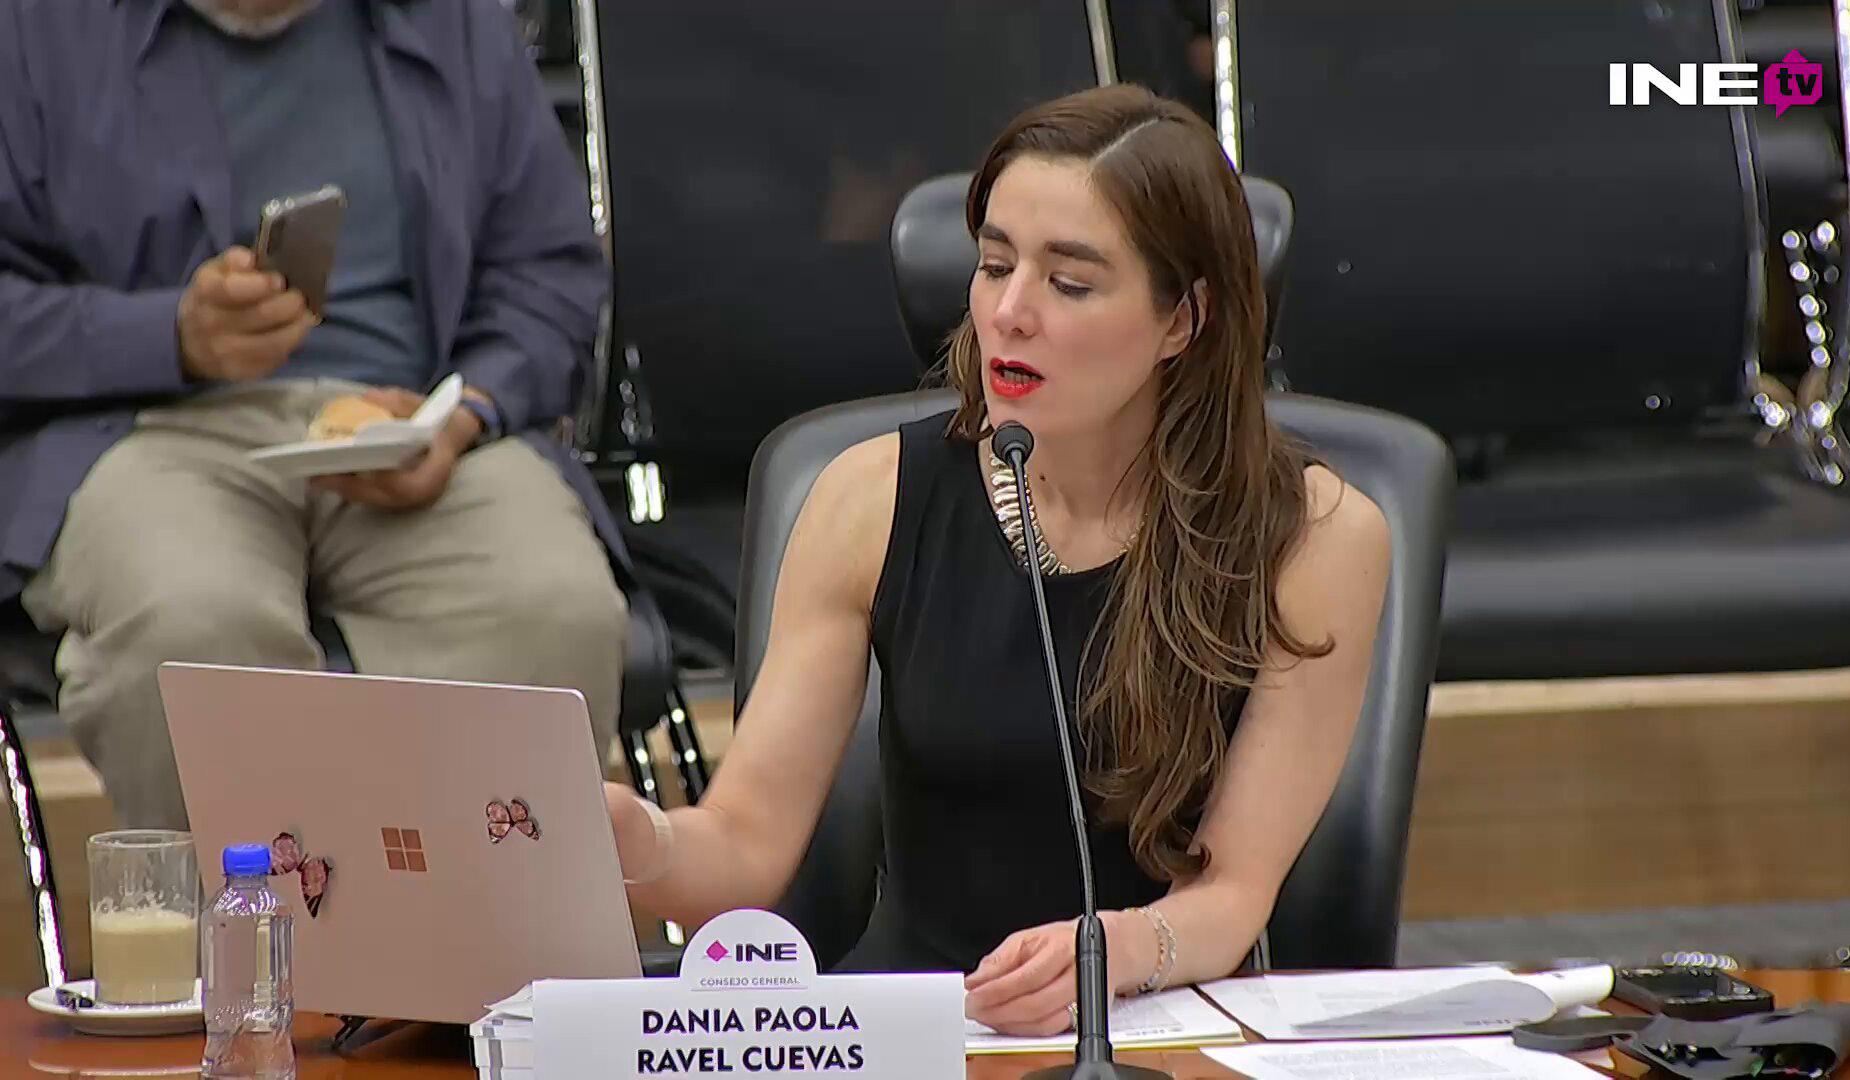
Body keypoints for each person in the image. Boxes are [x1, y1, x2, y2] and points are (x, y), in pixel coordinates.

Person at [604, 84, 1391, 1037]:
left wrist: (1115, 950)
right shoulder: (867, 498)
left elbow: (1231, 895)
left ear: (1183, 320)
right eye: (994, 265)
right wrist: (635, 839)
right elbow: (744, 843)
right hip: (917, 1026)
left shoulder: (1315, 536)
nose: (1010, 313)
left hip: (1149, 1026)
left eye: (1070, 283)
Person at [0, 0, 631, 830]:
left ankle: (482, 917)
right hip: (142, 430)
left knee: (555, 608)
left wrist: (464, 410)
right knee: (193, 626)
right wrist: (168, 334)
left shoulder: (453, 18)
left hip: (409, 418)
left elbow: (548, 272)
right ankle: (262, 916)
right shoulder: (33, 29)